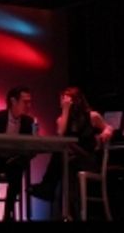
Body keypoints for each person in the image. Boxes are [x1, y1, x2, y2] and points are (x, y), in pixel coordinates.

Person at [28, 87, 113, 218]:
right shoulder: (61, 119)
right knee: (65, 158)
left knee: (63, 149)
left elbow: (108, 127)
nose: (62, 102)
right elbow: (61, 133)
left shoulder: (92, 116)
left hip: (88, 159)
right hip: (71, 160)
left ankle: (48, 187)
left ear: (75, 100)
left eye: (65, 99)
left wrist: (106, 132)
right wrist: (66, 110)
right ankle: (71, 213)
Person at [0, 86, 36, 221]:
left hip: (14, 159)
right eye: (25, 102)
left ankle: (8, 214)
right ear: (13, 101)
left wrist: (24, 156)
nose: (29, 105)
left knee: (17, 170)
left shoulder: (29, 122)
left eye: (30, 102)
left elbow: (33, 148)